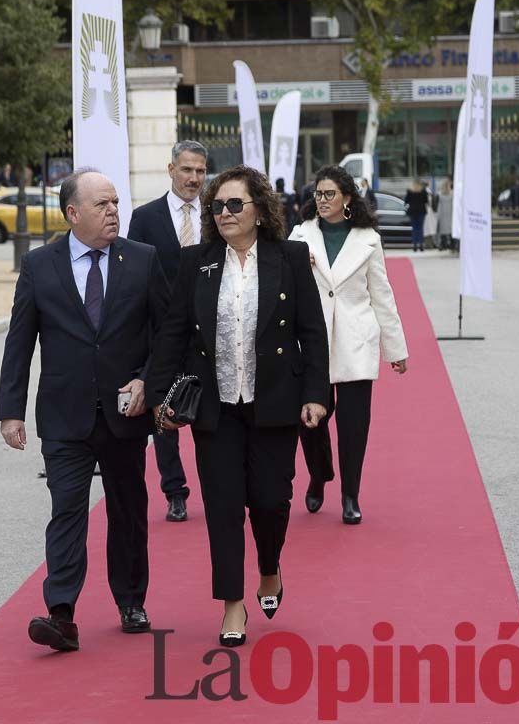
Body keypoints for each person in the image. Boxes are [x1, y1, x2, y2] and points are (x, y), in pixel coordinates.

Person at [148, 165, 329, 647]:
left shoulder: (290, 257)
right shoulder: (197, 262)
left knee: (270, 501)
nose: (224, 213)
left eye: (234, 205)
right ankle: (232, 604)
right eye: (217, 206)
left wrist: (315, 394)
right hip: (216, 407)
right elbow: (172, 334)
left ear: (258, 209)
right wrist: (159, 395)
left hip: (274, 403)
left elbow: (312, 331)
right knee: (224, 507)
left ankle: (269, 567)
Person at [0, 169, 170, 653]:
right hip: (64, 414)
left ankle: (131, 601)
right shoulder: (39, 265)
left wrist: (147, 380)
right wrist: (10, 411)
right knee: (67, 509)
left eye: (115, 203)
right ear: (72, 214)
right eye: (103, 205)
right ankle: (61, 613)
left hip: (125, 413)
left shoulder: (142, 259)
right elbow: (20, 342)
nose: (114, 211)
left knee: (128, 509)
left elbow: (165, 333)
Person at [289, 165, 408, 524]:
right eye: (318, 194)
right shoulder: (298, 235)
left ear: (347, 199)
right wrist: (297, 262)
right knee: (309, 422)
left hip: (356, 338)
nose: (322, 201)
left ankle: (350, 495)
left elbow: (381, 294)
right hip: (311, 341)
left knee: (354, 426)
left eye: (329, 194)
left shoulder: (368, 238)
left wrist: (396, 349)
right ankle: (319, 474)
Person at [127, 140, 206, 522]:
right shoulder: (145, 218)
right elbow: (135, 278)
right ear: (171, 169)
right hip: (162, 334)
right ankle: (174, 491)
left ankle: (219, 485)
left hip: (210, 333)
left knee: (213, 414)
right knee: (164, 417)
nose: (194, 178)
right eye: (187, 170)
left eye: (200, 171)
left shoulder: (219, 213)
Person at [404, 180, 430, 252]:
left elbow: (406, 201)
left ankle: (414, 245)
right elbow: (426, 201)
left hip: (412, 211)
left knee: (414, 228)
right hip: (421, 211)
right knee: (420, 228)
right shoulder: (423, 191)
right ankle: (421, 245)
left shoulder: (410, 191)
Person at [435, 177, 456, 251]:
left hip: (442, 213)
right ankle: (452, 245)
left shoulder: (439, 194)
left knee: (442, 230)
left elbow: (437, 205)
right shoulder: (453, 193)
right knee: (451, 230)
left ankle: (443, 245)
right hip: (451, 213)